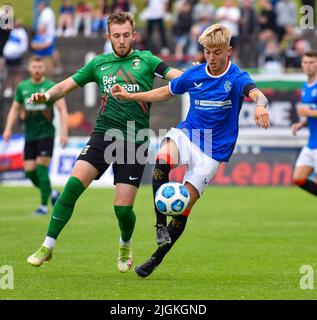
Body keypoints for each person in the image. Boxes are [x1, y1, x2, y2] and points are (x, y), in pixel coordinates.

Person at [26, 12, 182, 273]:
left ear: (134, 35)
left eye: (126, 35)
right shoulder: (98, 64)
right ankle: (47, 245)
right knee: (72, 187)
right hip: (103, 135)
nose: (121, 41)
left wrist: (199, 76)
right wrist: (46, 96)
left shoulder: (146, 60)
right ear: (108, 37)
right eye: (116, 36)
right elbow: (65, 86)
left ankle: (125, 242)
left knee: (122, 210)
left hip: (135, 140)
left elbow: (176, 76)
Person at [111, 23, 270, 277]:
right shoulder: (194, 74)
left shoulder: (237, 77)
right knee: (161, 160)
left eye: (217, 52)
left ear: (228, 50)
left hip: (213, 152)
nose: (211, 57)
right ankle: (159, 225)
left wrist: (261, 105)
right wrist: (132, 97)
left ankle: (156, 258)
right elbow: (166, 92)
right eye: (207, 51)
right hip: (189, 134)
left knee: (183, 208)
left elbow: (258, 94)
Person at [2, 56, 68, 215]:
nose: (37, 70)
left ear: (43, 69)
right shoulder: (23, 87)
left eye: (40, 67)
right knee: (29, 171)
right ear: (29, 69)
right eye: (34, 67)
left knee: (41, 168)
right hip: (30, 135)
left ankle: (43, 206)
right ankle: (52, 193)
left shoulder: (50, 87)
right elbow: (15, 108)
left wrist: (64, 132)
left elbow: (62, 109)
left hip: (46, 134)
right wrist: (8, 128)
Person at [292, 51, 317, 195]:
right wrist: (301, 123)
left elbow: (310, 111)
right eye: (305, 62)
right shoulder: (305, 87)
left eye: (312, 62)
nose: (308, 66)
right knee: (299, 178)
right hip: (311, 143)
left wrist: (308, 113)